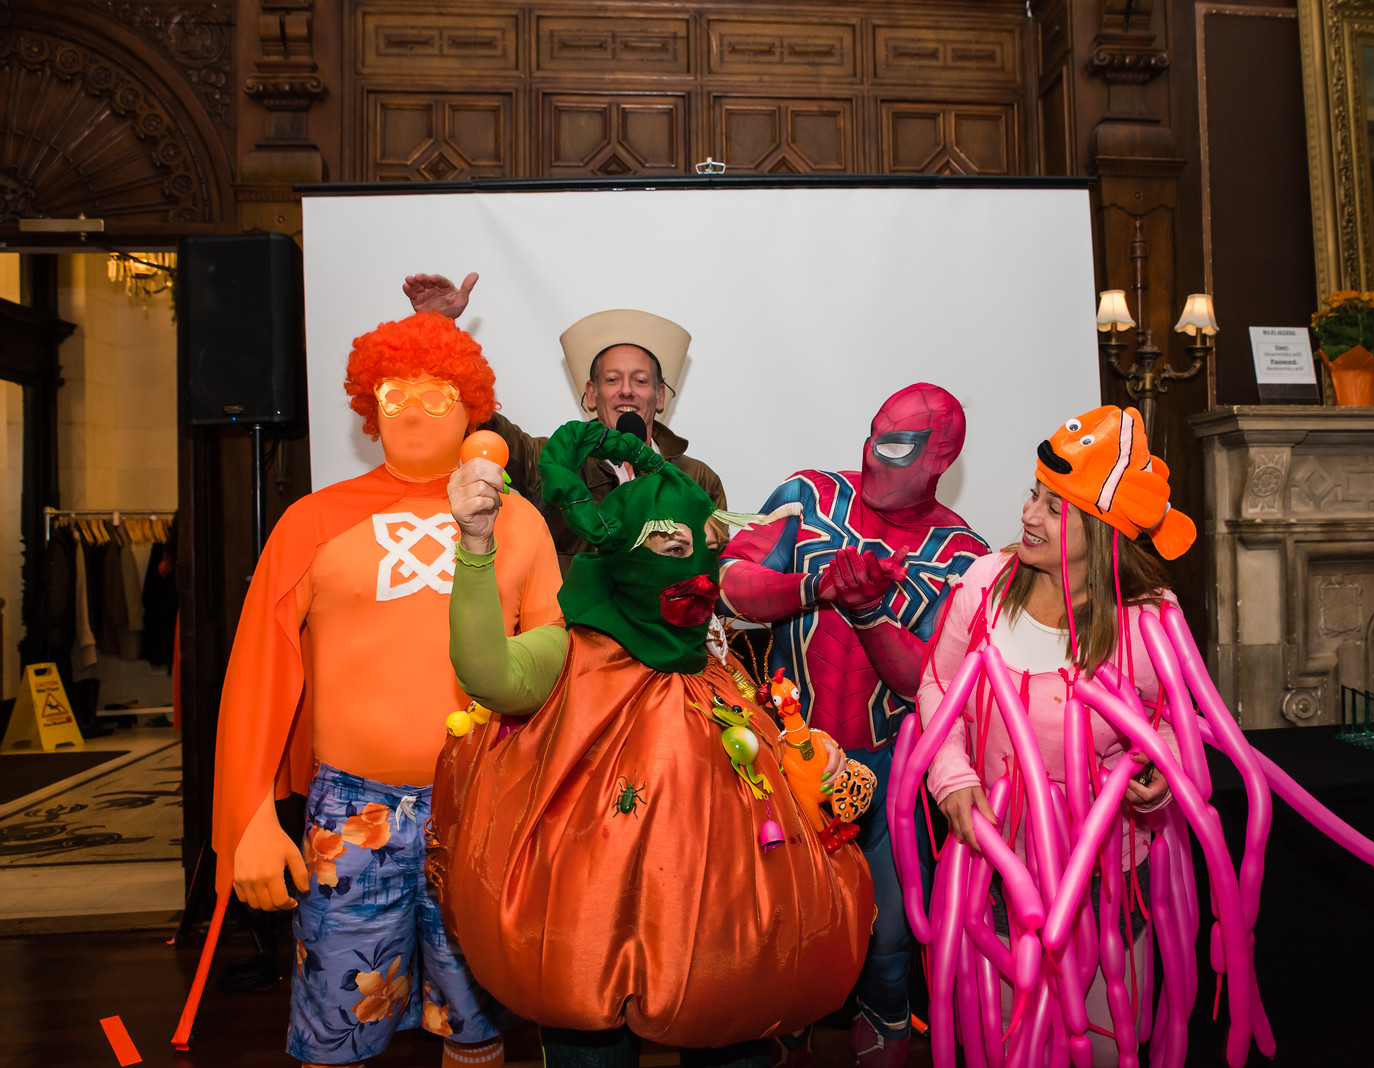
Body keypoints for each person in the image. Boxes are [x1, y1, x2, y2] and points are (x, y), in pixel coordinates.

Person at [430, 418, 875, 1068]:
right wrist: (475, 548)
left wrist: (810, 760)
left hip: (721, 937)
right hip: (584, 934)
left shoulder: (712, 661)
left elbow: (762, 755)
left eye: (701, 546)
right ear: (621, 557)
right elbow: (487, 674)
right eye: (668, 546)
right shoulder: (569, 652)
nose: (693, 568)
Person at [203, 312, 564, 1068]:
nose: (411, 410)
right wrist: (248, 819)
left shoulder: (521, 523)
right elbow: (258, 675)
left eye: (436, 395)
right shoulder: (311, 523)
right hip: (349, 809)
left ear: (472, 410)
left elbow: (555, 672)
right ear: (369, 407)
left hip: (484, 801)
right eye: (394, 392)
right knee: (336, 1028)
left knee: (480, 1022)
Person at [916, 404, 1195, 1068]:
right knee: (1004, 1038)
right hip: (995, 869)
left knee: (1104, 1041)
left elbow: (1175, 730)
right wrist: (951, 777)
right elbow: (937, 686)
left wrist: (1158, 780)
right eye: (1033, 494)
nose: (1028, 514)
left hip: (1107, 881)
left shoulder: (1150, 622)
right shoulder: (985, 585)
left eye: (1053, 506)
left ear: (1101, 531)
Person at [718, 383, 989, 1068]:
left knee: (890, 940)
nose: (872, 455)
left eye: (896, 446)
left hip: (891, 765)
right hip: (786, 754)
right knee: (780, 926)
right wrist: (816, 586)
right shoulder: (809, 498)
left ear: (941, 458)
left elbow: (930, 683)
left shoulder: (965, 557)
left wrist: (868, 612)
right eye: (872, 434)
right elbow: (731, 584)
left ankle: (884, 1021)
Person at [403, 273, 727, 570]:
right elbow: (477, 419)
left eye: (640, 381)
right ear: (592, 394)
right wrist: (436, 327)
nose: (627, 390)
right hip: (567, 617)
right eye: (612, 379)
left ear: (660, 396)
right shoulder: (554, 462)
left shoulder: (698, 479)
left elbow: (717, 567)